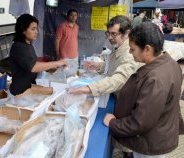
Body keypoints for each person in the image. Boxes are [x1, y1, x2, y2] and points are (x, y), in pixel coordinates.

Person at [103, 22, 184, 158]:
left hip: (150, 140)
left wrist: (113, 123)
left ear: (147, 49)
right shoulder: (170, 63)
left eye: (133, 49)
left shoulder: (156, 79)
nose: (130, 52)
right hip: (158, 132)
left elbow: (140, 122)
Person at [69, 15, 138, 98]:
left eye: (114, 34)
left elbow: (120, 79)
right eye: (109, 33)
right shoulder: (119, 46)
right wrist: (99, 66)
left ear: (127, 33)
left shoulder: (130, 53)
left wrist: (90, 88)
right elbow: (114, 66)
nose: (110, 37)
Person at [9, 14, 67, 95]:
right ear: (23, 30)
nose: (36, 32)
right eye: (33, 29)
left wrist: (51, 68)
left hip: (29, 90)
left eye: (36, 28)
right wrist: (57, 63)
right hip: (20, 93)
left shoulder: (28, 44)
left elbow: (34, 63)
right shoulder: (19, 46)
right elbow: (33, 67)